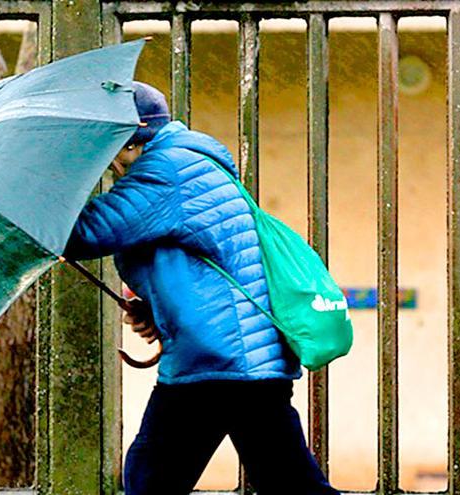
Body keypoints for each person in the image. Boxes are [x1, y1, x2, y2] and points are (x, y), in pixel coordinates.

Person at [64, 81, 339, 495]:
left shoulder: (165, 171)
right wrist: (156, 309)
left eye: (108, 148)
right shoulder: (188, 161)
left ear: (129, 143)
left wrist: (37, 190)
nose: (107, 164)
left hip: (219, 360)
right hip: (242, 359)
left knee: (151, 481)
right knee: (290, 484)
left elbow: (84, 232)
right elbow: (200, 264)